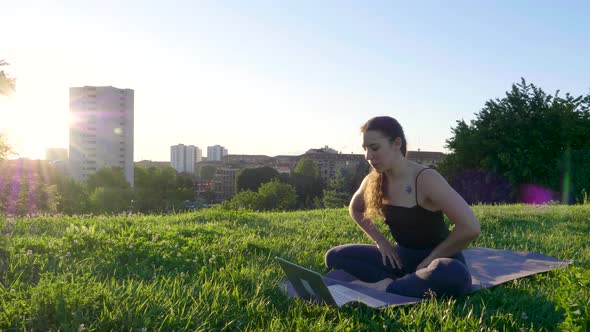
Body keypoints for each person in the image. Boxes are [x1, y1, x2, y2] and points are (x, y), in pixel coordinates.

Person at [324, 116, 481, 298]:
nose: (368, 156)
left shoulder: (425, 178)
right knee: (335, 256)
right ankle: (404, 282)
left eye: (374, 148)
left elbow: (470, 227)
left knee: (455, 275)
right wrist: (382, 243)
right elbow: (355, 208)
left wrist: (429, 260)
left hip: (440, 262)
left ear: (397, 143)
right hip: (400, 259)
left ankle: (388, 287)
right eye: (365, 149)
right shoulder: (374, 179)